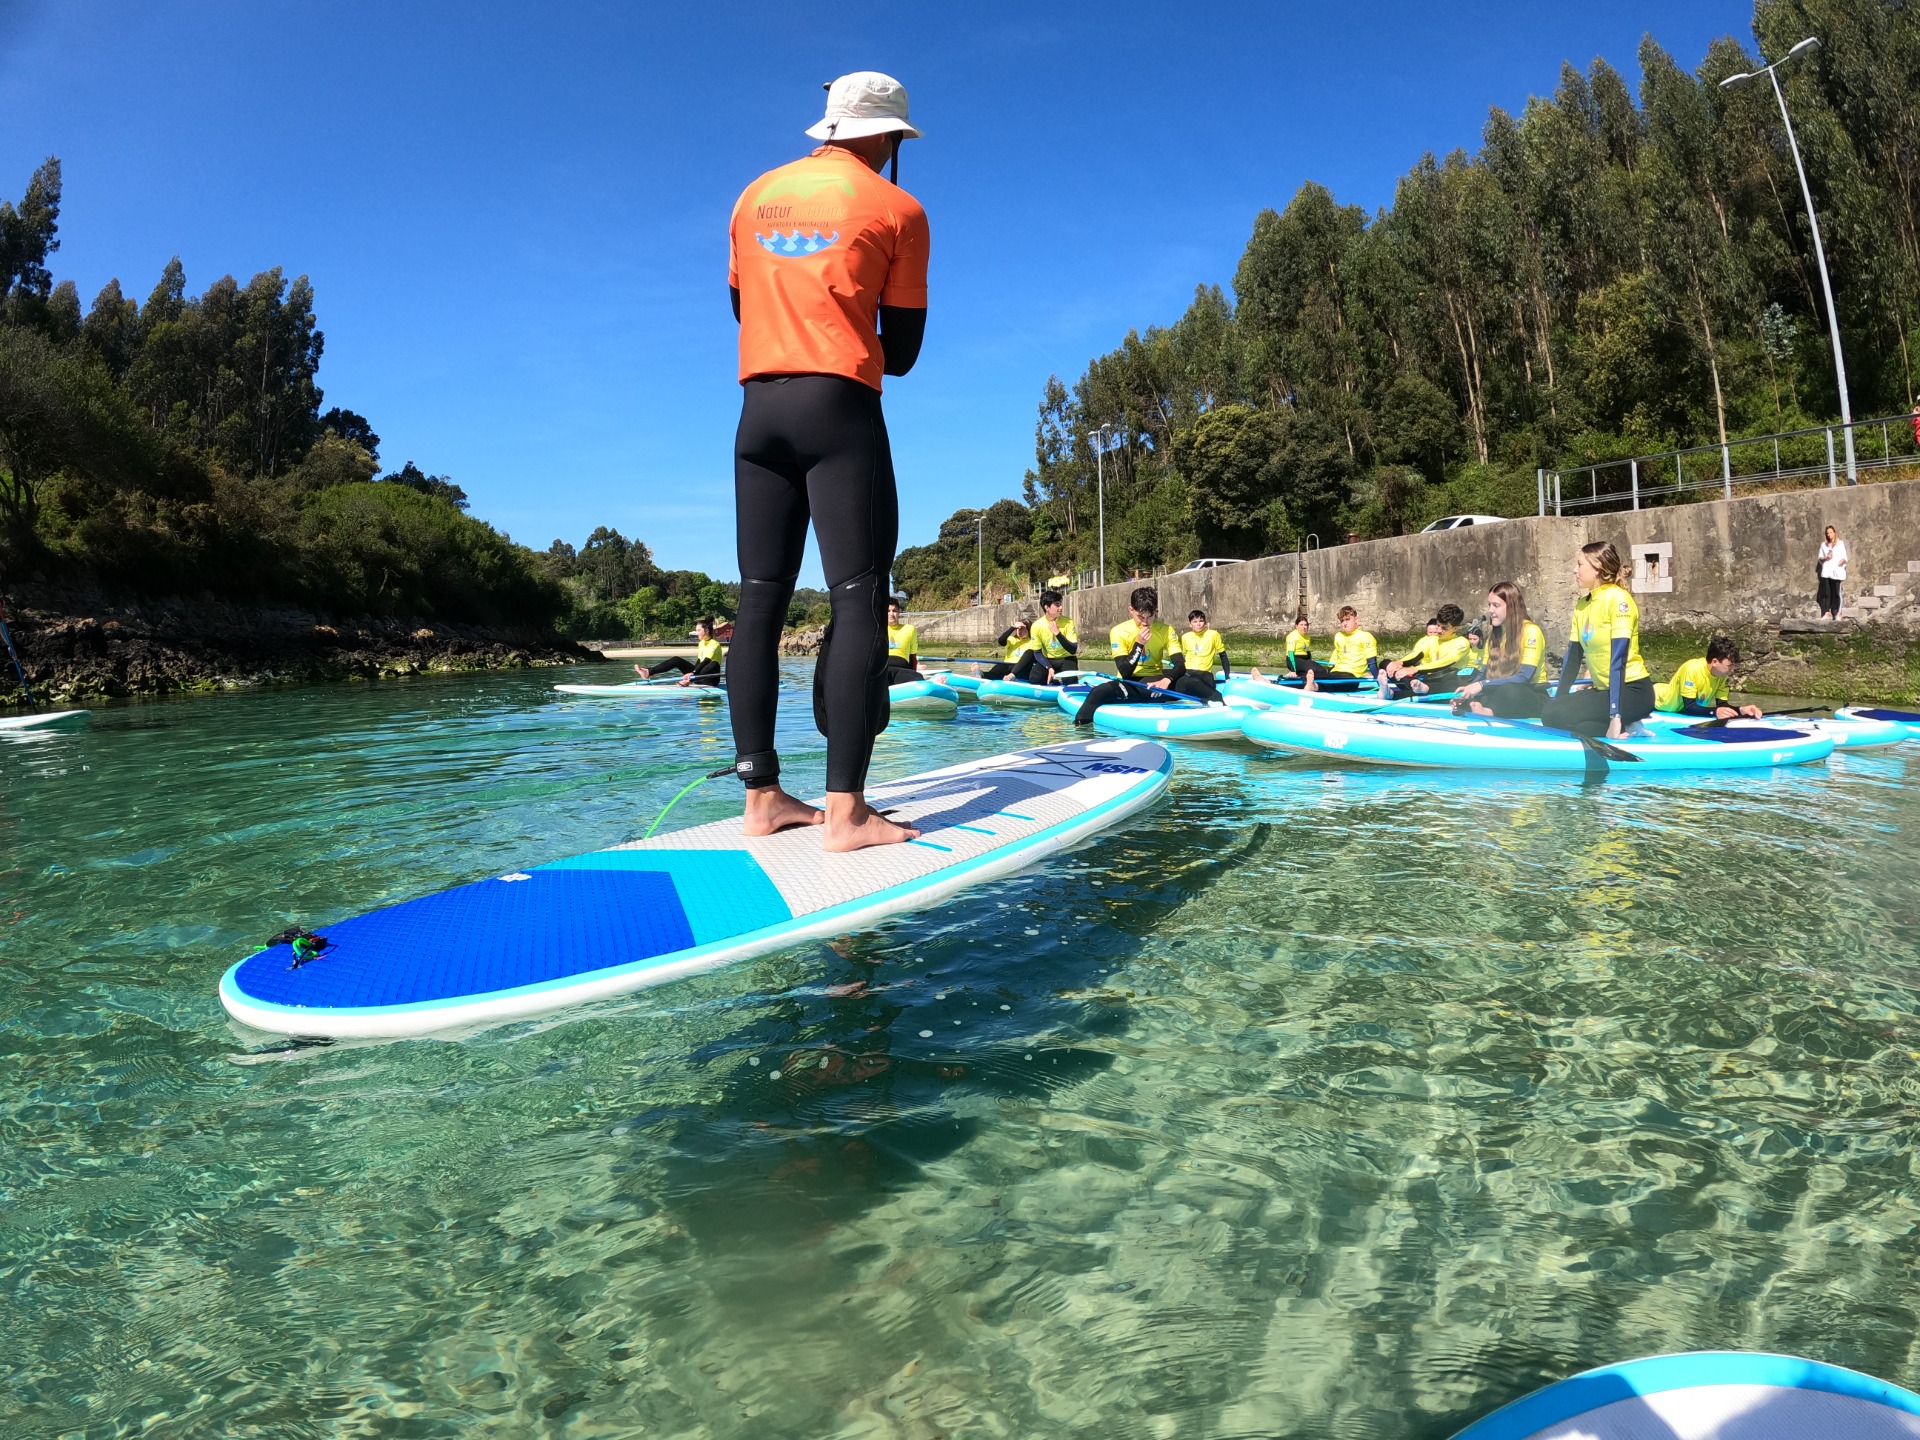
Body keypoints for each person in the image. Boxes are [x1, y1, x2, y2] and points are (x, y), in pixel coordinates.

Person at [723, 72, 929, 851]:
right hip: (839, 411)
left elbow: (742, 305)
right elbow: (901, 352)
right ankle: (847, 814)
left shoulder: (753, 195)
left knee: (759, 599)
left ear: (830, 126)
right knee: (858, 594)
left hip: (757, 411)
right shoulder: (898, 208)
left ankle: (763, 799)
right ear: (886, 136)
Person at [1540, 540, 1655, 739]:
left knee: (1557, 715)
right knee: (1551, 714)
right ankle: (1629, 726)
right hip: (1604, 691)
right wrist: (1559, 700)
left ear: (1597, 567)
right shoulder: (1582, 605)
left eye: (1579, 564)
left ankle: (1622, 723)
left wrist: (1615, 715)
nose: (1574, 570)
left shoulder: (1618, 599)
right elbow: (1572, 660)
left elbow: (1618, 660)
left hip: (1633, 691)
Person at [1073, 587, 1215, 723]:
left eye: (1150, 616)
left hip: (1158, 684)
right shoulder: (1119, 631)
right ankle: (1081, 728)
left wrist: (1167, 680)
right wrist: (1139, 644)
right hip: (1131, 684)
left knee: (1195, 681)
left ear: (1155, 612)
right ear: (1131, 610)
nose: (1145, 622)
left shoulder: (1166, 630)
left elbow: (1180, 665)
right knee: (1098, 692)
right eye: (1140, 617)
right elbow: (1125, 672)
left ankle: (1223, 708)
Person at [1454, 583, 1549, 718]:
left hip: (1528, 693)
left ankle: (1490, 712)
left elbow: (1524, 677)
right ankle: (1484, 708)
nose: (1490, 610)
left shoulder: (1531, 631)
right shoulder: (1493, 636)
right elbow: (1483, 673)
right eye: (1489, 605)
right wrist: (1467, 691)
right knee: (1460, 684)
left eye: (1496, 605)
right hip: (1498, 692)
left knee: (1509, 690)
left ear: (1511, 607)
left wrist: (1482, 685)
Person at [1655, 635, 1763, 720]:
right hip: (1654, 700)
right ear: (1715, 662)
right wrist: (1714, 712)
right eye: (1730, 665)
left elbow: (1722, 705)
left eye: (1734, 666)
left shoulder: (1722, 675)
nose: (1733, 670)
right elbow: (1689, 707)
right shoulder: (1692, 668)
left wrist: (1742, 710)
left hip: (1676, 707)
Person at [1383, 604, 1472, 697]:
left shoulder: (1462, 643)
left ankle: (1393, 694)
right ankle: (1412, 685)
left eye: (1444, 628)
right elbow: (1417, 655)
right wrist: (1399, 663)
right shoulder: (1432, 639)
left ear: (1455, 628)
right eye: (1438, 625)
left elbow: (1445, 662)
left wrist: (1415, 669)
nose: (1438, 630)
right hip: (1431, 678)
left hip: (1451, 680)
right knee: (1386, 663)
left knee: (1448, 683)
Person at [636, 617, 725, 687]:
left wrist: (693, 673)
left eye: (698, 630)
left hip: (711, 680)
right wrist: (692, 674)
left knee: (713, 664)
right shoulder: (701, 643)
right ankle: (649, 672)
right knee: (676, 659)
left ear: (707, 631)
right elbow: (699, 661)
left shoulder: (714, 644)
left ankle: (689, 680)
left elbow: (706, 661)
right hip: (698, 677)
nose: (696, 633)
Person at [1017, 589, 1079, 684]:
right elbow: (1037, 652)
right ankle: (1053, 681)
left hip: (1067, 658)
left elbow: (1073, 649)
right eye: (1057, 605)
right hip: (1049, 660)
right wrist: (1049, 667)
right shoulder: (1037, 625)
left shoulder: (1068, 622)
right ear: (1047, 607)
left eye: (1060, 604)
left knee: (1069, 681)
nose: (1061, 608)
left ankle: (1067, 681)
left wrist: (1058, 634)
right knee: (1035, 678)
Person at [1179, 609, 1231, 682]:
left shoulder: (1213, 635)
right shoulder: (1185, 637)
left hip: (1204, 673)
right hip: (1188, 672)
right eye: (1195, 622)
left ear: (1205, 623)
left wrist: (1227, 677)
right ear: (1190, 624)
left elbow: (1223, 656)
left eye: (1201, 621)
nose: (1198, 624)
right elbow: (1185, 656)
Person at [884, 598, 921, 686]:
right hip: (884, 670)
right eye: (888, 611)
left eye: (894, 611)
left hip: (901, 670)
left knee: (918, 677)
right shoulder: (878, 630)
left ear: (899, 612)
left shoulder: (909, 629)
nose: (891, 614)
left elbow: (913, 657)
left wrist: (914, 674)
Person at [1817, 525, 1848, 619]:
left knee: (1837, 593)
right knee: (1827, 593)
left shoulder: (1840, 544)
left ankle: (1838, 613)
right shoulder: (1824, 545)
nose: (1829, 534)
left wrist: (1841, 562)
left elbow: (1844, 557)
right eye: (1827, 533)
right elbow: (1820, 558)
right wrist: (1826, 558)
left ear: (1834, 533)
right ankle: (1826, 612)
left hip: (1837, 571)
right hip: (1827, 572)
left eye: (1830, 532)